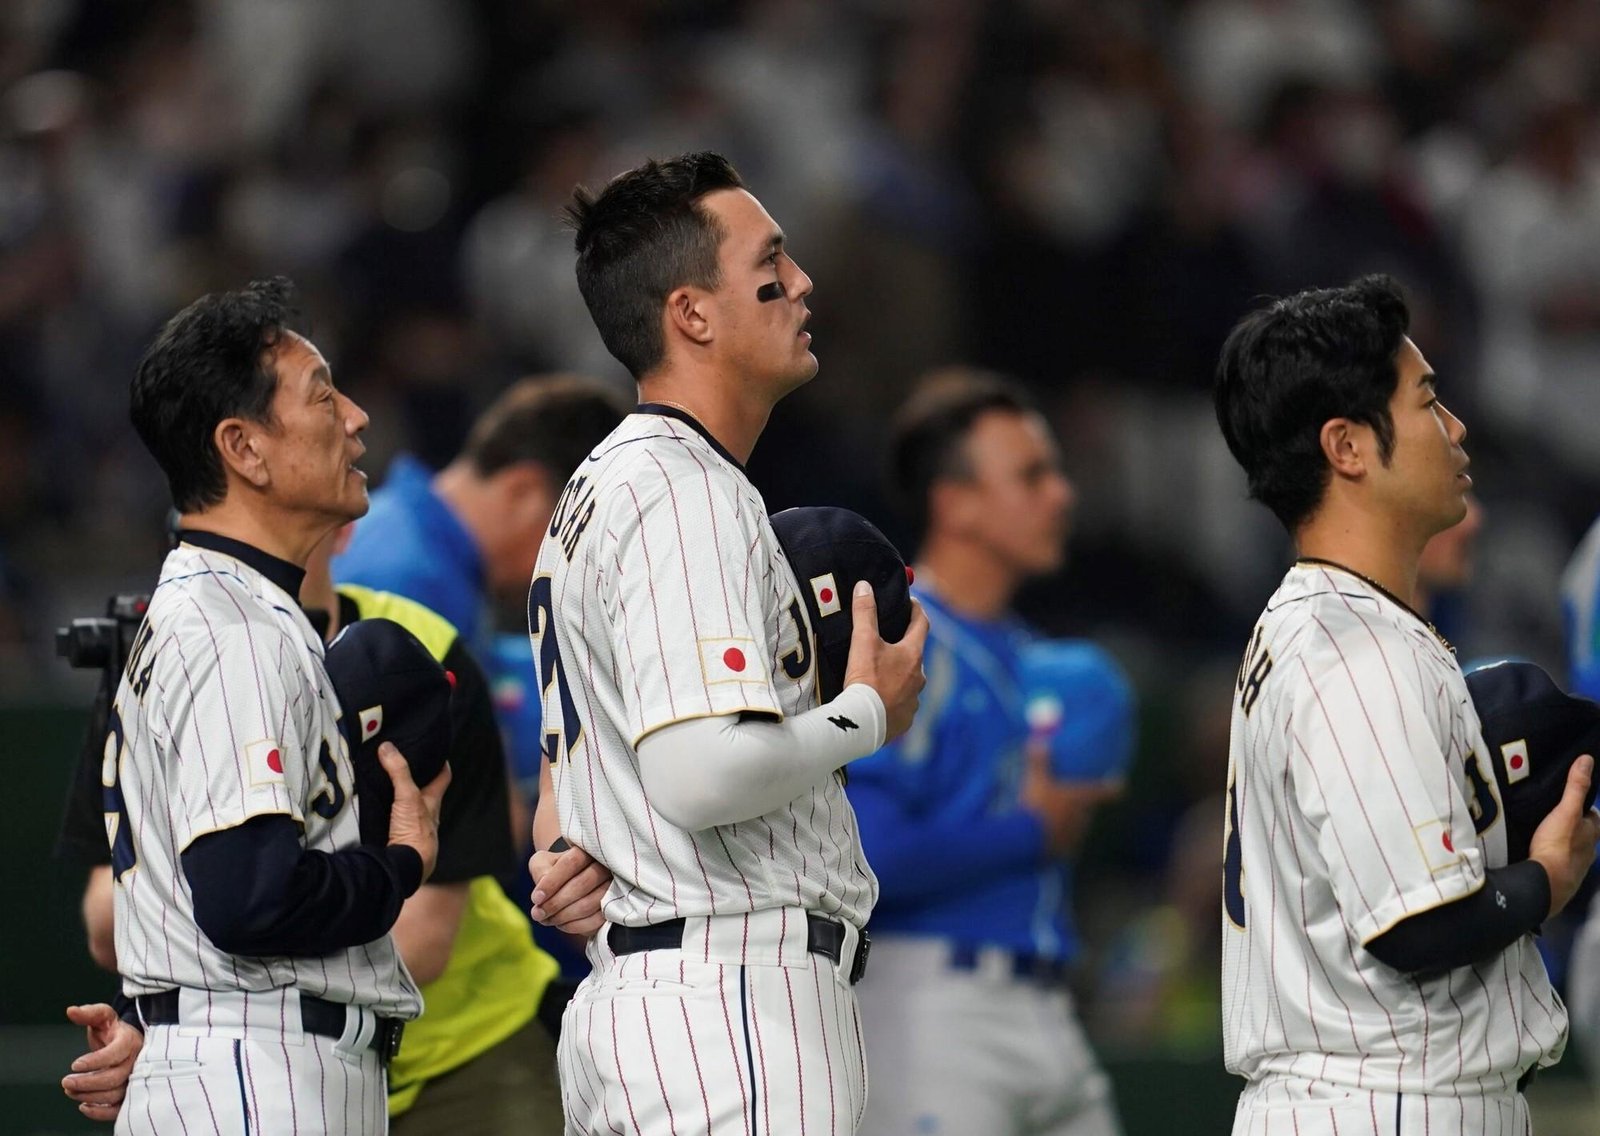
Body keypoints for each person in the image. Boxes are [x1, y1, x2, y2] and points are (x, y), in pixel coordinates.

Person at [526, 150, 928, 1135]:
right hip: (729, 1005)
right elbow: (705, 774)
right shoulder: (684, 488)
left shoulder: (602, 486)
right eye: (769, 266)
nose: (802, 284)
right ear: (690, 313)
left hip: (659, 998)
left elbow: (565, 814)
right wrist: (864, 709)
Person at [1213, 273, 1600, 1134]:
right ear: (1347, 446)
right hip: (1385, 1102)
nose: (1455, 427)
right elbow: (1416, 929)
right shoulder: (1359, 654)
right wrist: (1546, 878)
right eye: (1426, 402)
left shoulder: (1325, 622)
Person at [59, 522, 567, 1132]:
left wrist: (206, 993)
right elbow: (106, 920)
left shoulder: (420, 649)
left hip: (463, 1049)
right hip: (268, 1064)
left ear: (345, 527)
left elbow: (426, 934)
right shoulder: (160, 659)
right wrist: (177, 1015)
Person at [96, 276, 449, 1134]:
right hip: (258, 1072)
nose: (357, 418)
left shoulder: (209, 606)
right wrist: (399, 863)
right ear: (244, 449)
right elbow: (253, 901)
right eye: (324, 396)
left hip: (234, 1058)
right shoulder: (233, 629)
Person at [847, 367, 1127, 1136]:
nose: (1060, 495)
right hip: (929, 1001)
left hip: (1046, 1000)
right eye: (1031, 476)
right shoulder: (901, 642)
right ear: (956, 502)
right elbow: (865, 858)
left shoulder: (1034, 657)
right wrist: (1030, 830)